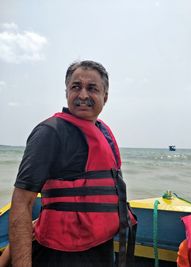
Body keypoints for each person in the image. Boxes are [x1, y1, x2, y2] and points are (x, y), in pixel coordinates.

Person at [9, 60, 136, 267]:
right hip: (60, 254)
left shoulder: (104, 134)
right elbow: (22, 202)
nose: (83, 95)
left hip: (102, 248)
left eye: (92, 88)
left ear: (105, 96)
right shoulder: (50, 133)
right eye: (76, 87)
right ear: (67, 92)